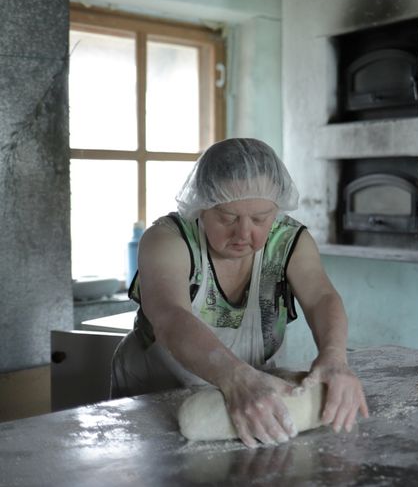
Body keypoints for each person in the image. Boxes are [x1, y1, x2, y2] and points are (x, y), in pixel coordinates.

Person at [111, 138, 369, 447]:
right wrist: (234, 377)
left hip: (251, 400)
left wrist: (334, 356)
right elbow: (170, 316)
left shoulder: (288, 242)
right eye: (227, 217)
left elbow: (321, 297)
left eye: (260, 218)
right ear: (201, 206)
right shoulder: (168, 240)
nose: (244, 233)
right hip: (153, 395)